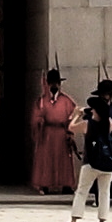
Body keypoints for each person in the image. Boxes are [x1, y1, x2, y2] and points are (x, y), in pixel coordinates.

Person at [65, 76, 112, 222]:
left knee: (82, 191)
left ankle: (74, 220)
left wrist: (77, 114)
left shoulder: (87, 125)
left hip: (91, 162)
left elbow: (71, 127)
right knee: (104, 192)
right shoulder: (109, 124)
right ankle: (102, 220)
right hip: (108, 162)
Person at [30, 66, 77, 197]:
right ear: (48, 84)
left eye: (57, 83)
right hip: (47, 133)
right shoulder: (41, 101)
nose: (54, 85)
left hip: (62, 133)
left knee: (64, 161)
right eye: (52, 83)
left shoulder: (66, 101)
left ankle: (66, 185)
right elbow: (35, 118)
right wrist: (39, 121)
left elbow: (73, 117)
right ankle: (45, 184)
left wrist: (70, 132)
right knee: (46, 159)